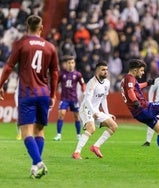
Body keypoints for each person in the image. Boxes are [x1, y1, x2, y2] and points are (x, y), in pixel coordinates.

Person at [0, 15, 59, 179]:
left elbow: (8, 66)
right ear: (41, 28)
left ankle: (39, 162)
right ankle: (35, 167)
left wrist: (0, 85)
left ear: (27, 27)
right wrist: (53, 94)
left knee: (27, 133)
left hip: (27, 93)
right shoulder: (50, 47)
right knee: (40, 131)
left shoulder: (21, 44)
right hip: (43, 94)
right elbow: (55, 73)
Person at [72, 61, 118, 159]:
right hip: (86, 109)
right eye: (103, 70)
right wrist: (93, 112)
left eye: (107, 70)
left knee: (113, 126)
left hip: (96, 110)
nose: (106, 72)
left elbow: (104, 98)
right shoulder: (92, 83)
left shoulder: (107, 82)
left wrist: (107, 113)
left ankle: (95, 146)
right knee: (91, 129)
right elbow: (87, 100)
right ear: (97, 71)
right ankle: (76, 152)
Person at [53, 55, 86, 141]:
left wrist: (84, 90)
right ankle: (58, 135)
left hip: (74, 99)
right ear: (66, 64)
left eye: (72, 63)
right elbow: (56, 83)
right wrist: (53, 93)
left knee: (77, 117)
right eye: (69, 63)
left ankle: (78, 135)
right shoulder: (62, 74)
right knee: (61, 114)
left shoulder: (78, 74)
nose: (71, 64)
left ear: (74, 64)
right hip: (64, 99)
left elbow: (82, 83)